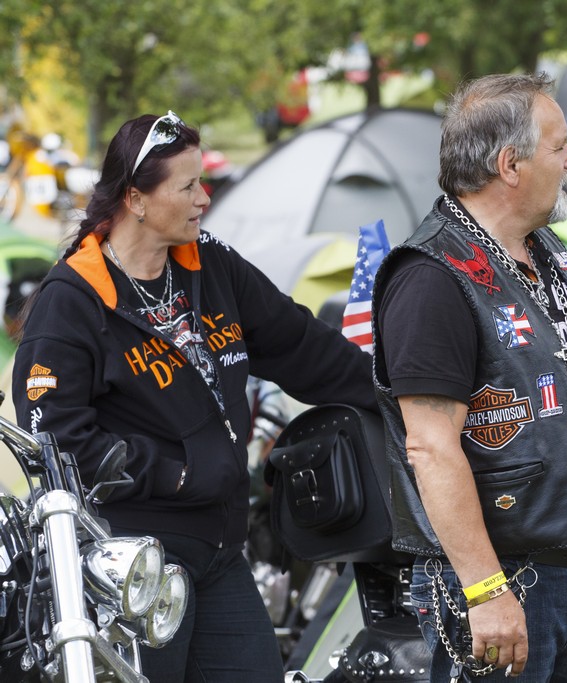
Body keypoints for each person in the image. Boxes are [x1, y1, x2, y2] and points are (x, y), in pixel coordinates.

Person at [12, 111, 377, 682]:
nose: (204, 198)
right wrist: (175, 474)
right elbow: (54, 441)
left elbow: (300, 345)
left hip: (221, 548)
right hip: (135, 566)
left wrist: (397, 393)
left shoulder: (212, 264)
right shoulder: (73, 300)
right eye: (187, 187)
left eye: (201, 181)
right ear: (136, 199)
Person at [371, 73, 567, 681]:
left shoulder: (544, 251)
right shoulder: (431, 277)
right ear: (510, 165)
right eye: (559, 147)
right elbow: (429, 447)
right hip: (502, 582)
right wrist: (484, 589)